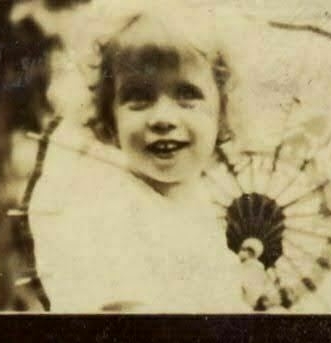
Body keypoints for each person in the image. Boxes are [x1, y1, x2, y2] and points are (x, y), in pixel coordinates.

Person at [28, 8, 273, 313]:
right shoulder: (104, 207)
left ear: (221, 112)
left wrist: (239, 292)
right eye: (139, 98)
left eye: (187, 95)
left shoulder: (200, 205)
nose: (163, 118)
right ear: (109, 117)